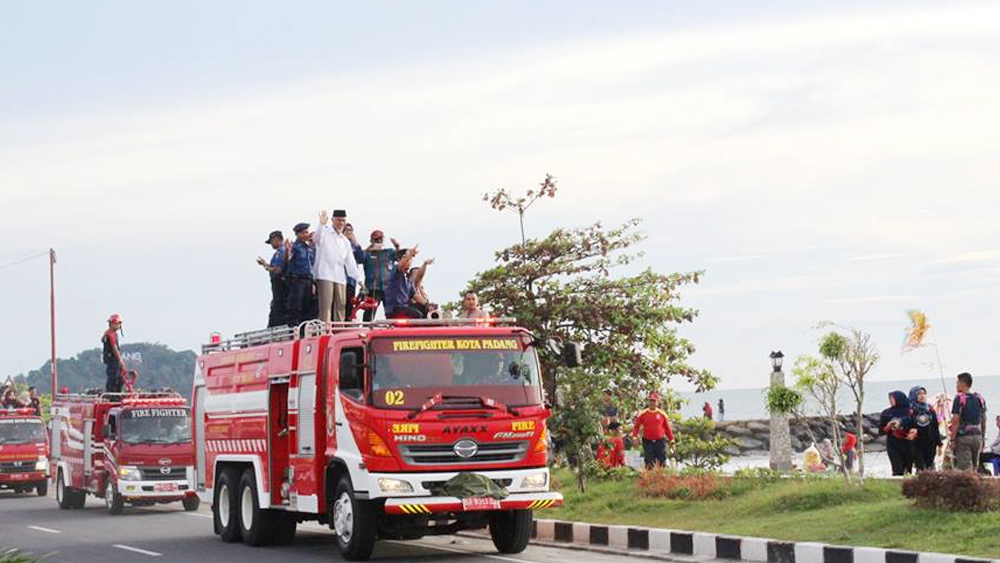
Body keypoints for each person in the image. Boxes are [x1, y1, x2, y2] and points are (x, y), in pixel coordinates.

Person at [312, 210, 363, 323]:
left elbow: (350, 262)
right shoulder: (325, 232)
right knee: (326, 306)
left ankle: (338, 331)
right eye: (339, 220)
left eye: (343, 220)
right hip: (325, 274)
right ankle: (326, 330)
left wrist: (358, 279)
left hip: (340, 276)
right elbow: (315, 239)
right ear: (333, 220)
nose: (341, 223)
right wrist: (321, 224)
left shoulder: (345, 240)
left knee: (341, 306)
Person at [950, 372, 987, 471]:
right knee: (975, 467)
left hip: (964, 438)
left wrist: (952, 439)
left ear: (963, 384)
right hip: (977, 436)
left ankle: (967, 485)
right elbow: (983, 420)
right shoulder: (979, 398)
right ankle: (975, 484)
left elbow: (955, 422)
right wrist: (982, 438)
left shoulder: (959, 398)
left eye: (957, 383)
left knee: (964, 469)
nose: (956, 385)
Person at [361, 230, 401, 321]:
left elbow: (400, 257)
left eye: (380, 239)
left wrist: (397, 246)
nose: (379, 242)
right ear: (371, 241)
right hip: (372, 287)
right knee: (370, 312)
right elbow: (358, 257)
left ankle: (393, 332)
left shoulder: (389, 252)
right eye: (376, 240)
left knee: (391, 312)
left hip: (388, 287)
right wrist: (371, 248)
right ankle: (366, 330)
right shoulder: (367, 253)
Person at [384, 247, 433, 319]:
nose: (410, 261)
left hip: (404, 307)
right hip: (394, 308)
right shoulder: (396, 269)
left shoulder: (408, 277)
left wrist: (427, 305)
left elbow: (414, 294)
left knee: (425, 309)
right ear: (400, 259)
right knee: (417, 315)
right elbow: (400, 266)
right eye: (407, 258)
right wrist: (409, 255)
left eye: (411, 259)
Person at [632, 392, 675, 469]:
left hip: (660, 441)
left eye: (654, 401)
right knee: (649, 460)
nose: (652, 403)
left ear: (657, 402)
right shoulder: (642, 414)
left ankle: (661, 477)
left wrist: (672, 440)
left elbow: (668, 428)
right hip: (647, 441)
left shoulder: (662, 414)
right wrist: (634, 437)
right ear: (648, 402)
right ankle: (649, 478)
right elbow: (636, 427)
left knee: (661, 460)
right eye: (650, 401)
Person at [284, 223, 315, 326]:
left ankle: (305, 327)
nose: (307, 234)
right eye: (305, 232)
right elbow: (288, 258)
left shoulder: (309, 248)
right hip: (297, 279)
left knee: (308, 305)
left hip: (308, 279)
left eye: (307, 231)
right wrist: (288, 252)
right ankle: (293, 327)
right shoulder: (295, 247)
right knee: (296, 305)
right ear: (298, 234)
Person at [879, 390, 915, 476]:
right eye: (889, 399)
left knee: (908, 470)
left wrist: (912, 431)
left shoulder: (910, 411)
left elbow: (915, 424)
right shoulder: (886, 413)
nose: (890, 401)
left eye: (892, 398)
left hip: (908, 443)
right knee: (897, 469)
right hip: (893, 444)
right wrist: (888, 426)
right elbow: (881, 431)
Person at [257, 230, 287, 327]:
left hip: (280, 285)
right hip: (277, 287)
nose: (271, 244)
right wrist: (265, 264)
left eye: (272, 241)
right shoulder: (279, 252)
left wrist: (267, 267)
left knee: (278, 309)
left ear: (277, 239)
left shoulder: (281, 252)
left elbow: (278, 270)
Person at [908, 386, 942, 471]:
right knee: (920, 467)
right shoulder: (910, 410)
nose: (922, 396)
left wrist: (939, 443)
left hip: (930, 443)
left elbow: (935, 426)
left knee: (930, 466)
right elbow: (907, 425)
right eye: (919, 393)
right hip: (917, 443)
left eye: (924, 393)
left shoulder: (930, 409)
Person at [343, 223, 365, 321]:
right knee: (340, 303)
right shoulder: (339, 243)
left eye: (351, 230)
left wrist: (356, 243)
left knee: (349, 302)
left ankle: (348, 321)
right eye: (347, 230)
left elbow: (361, 259)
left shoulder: (354, 246)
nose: (349, 232)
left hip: (351, 279)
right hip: (340, 278)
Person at [102, 314, 128, 393]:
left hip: (111, 360)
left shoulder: (108, 333)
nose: (119, 325)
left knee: (118, 378)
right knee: (114, 378)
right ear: (113, 324)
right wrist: (121, 361)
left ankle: (115, 393)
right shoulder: (111, 334)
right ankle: (113, 395)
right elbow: (114, 348)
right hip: (113, 360)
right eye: (118, 323)